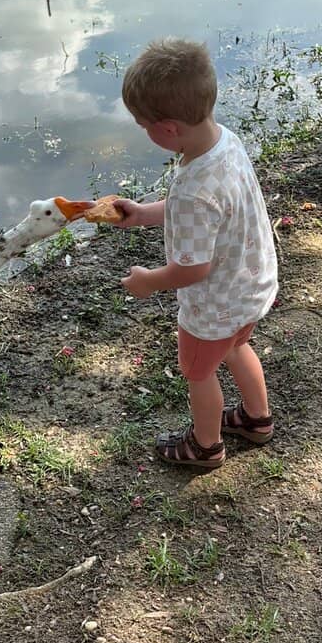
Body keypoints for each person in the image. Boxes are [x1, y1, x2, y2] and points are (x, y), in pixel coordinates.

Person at [112, 38, 279, 472]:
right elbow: (211, 214)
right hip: (251, 287)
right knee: (238, 348)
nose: (143, 131)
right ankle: (256, 420)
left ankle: (205, 447)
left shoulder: (191, 189)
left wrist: (149, 281)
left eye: (143, 124)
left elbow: (193, 267)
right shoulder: (226, 144)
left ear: (167, 129)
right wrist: (144, 213)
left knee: (199, 373)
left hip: (214, 306)